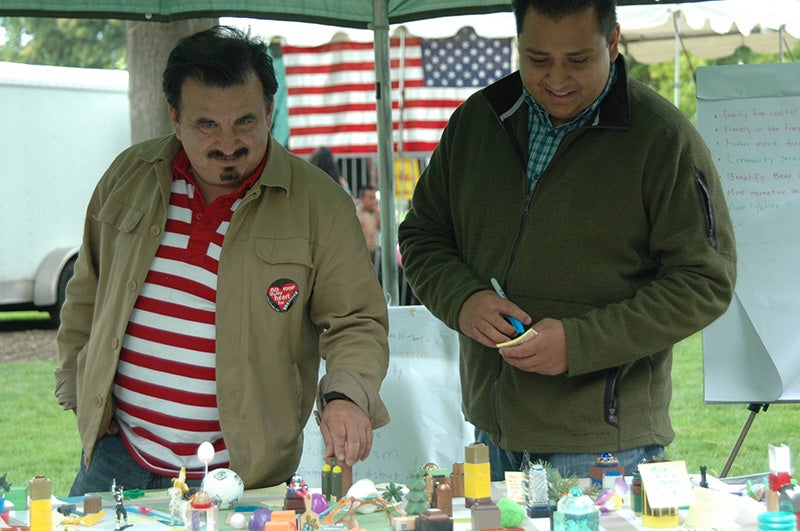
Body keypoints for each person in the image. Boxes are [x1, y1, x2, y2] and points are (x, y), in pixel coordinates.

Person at [398, 0, 736, 481]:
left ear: (613, 42)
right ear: (518, 44)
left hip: (602, 442)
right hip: (492, 433)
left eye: (578, 60)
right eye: (537, 60)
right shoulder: (478, 122)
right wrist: (464, 299)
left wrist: (580, 344)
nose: (556, 80)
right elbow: (422, 234)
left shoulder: (663, 139)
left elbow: (706, 280)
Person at [54, 25, 390, 495]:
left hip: (245, 476)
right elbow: (86, 290)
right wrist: (78, 383)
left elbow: (357, 320)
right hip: (119, 456)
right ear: (175, 116)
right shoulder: (129, 175)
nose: (228, 143)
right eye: (206, 124)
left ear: (270, 111)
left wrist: (346, 396)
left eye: (245, 122)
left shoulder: (320, 205)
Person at [356, 184, 381, 265]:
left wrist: (377, 212)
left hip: (373, 252)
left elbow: (381, 228)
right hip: (359, 253)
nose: (374, 201)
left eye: (375, 198)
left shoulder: (375, 213)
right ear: (361, 199)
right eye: (370, 198)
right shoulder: (355, 213)